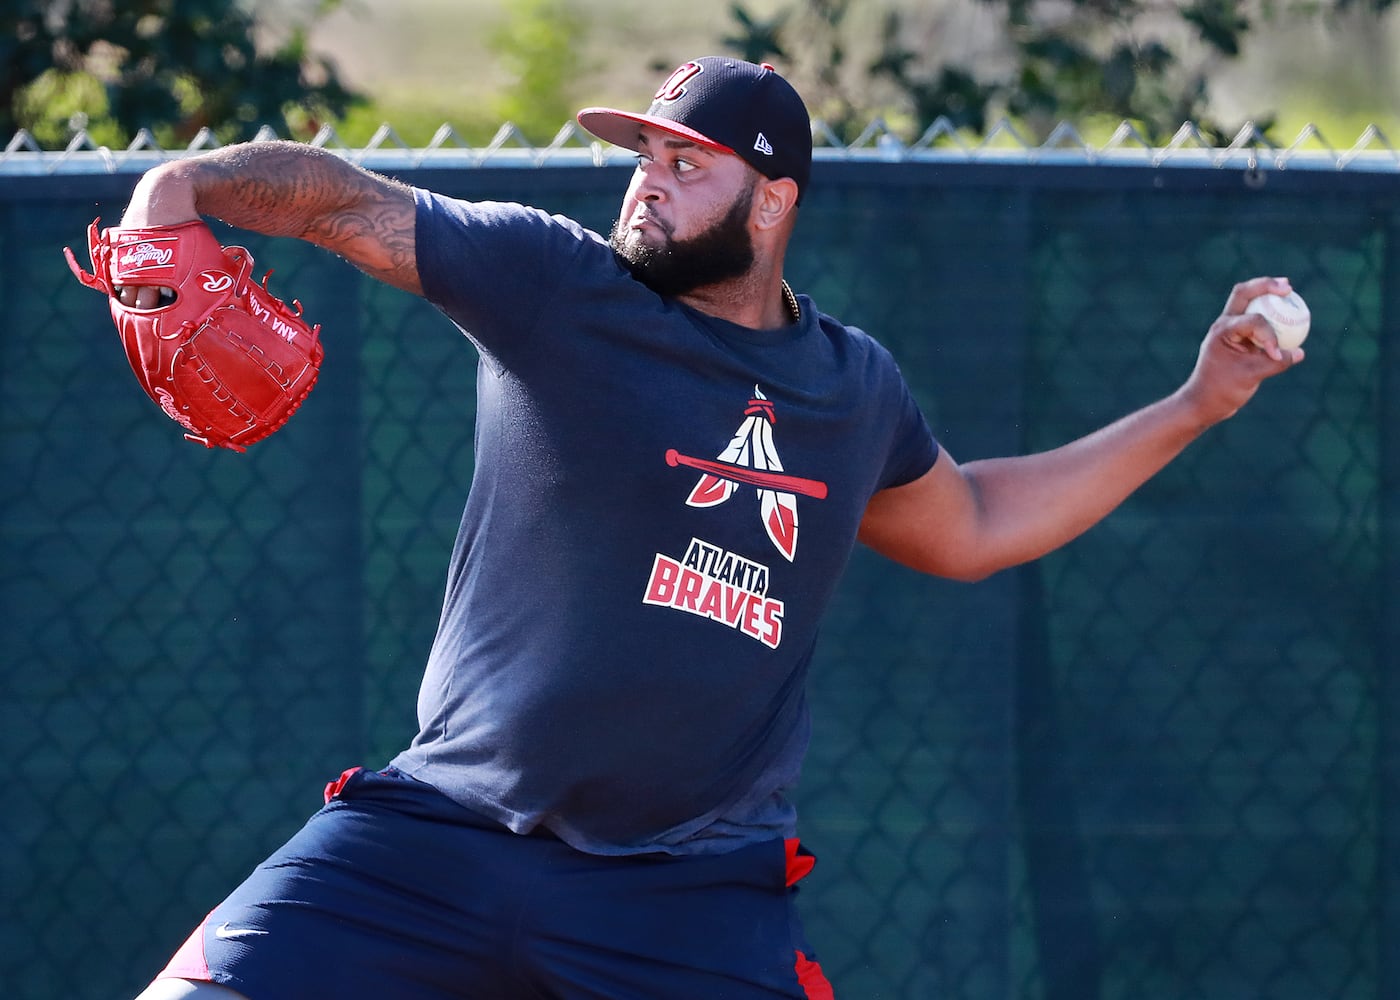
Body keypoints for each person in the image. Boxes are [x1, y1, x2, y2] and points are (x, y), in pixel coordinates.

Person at [116, 57, 1300, 1000]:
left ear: (773, 199)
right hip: (446, 835)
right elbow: (342, 201)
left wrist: (1199, 400)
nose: (646, 178)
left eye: (687, 163)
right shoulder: (553, 286)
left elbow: (975, 521)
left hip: (684, 888)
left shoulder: (849, 390)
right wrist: (184, 189)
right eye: (643, 154)